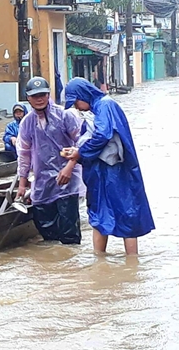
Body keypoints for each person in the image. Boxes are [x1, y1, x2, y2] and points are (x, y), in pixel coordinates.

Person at [64, 78, 155, 255]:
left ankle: (131, 261)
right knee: (99, 214)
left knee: (126, 214)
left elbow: (102, 135)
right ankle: (101, 260)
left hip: (116, 171)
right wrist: (77, 152)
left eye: (76, 102)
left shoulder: (104, 105)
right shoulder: (96, 109)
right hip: (101, 172)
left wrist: (80, 153)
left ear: (83, 95)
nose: (76, 107)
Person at [16, 76, 85, 245]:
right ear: (28, 97)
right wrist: (22, 184)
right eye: (34, 95)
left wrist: (70, 166)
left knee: (69, 234)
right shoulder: (27, 123)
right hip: (42, 182)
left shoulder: (64, 115)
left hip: (66, 181)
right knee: (47, 232)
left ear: (48, 95)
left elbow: (81, 143)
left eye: (43, 94)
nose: (39, 99)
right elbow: (24, 154)